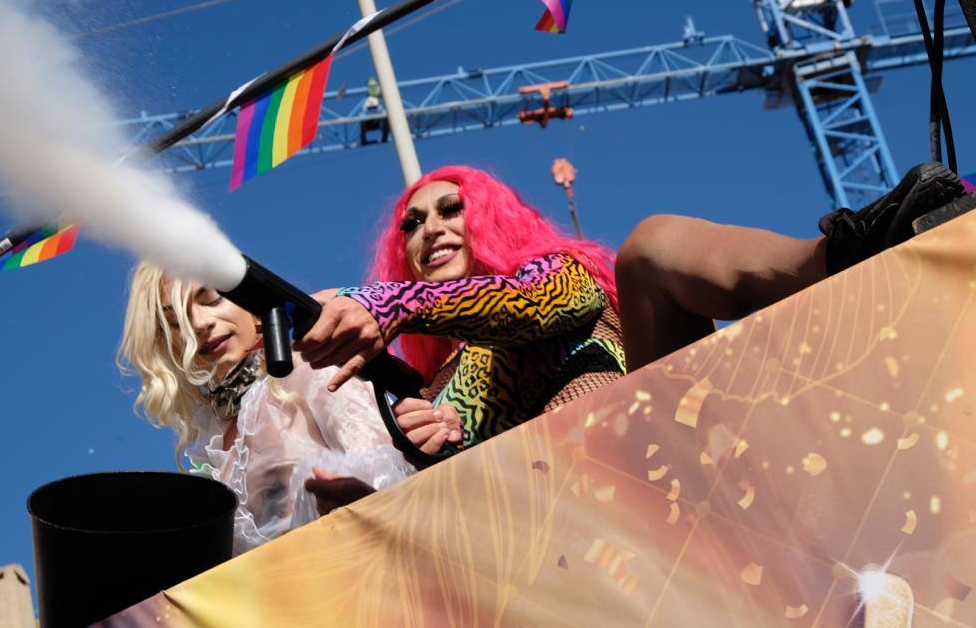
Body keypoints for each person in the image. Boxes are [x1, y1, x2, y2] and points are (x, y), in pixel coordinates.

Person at [294, 165, 626, 456]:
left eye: (451, 209)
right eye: (412, 224)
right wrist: (433, 441)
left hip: (630, 477)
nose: (430, 230)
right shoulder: (434, 382)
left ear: (492, 219)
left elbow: (530, 304)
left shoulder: (558, 271)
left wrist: (387, 302)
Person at [118, 261, 414, 554]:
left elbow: (395, 481)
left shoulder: (312, 372)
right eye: (174, 322)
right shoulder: (212, 443)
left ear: (249, 303)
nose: (199, 323)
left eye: (211, 299)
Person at [615, 161, 967, 369]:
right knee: (645, 254)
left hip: (658, 419)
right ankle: (844, 257)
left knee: (652, 246)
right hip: (600, 466)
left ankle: (843, 254)